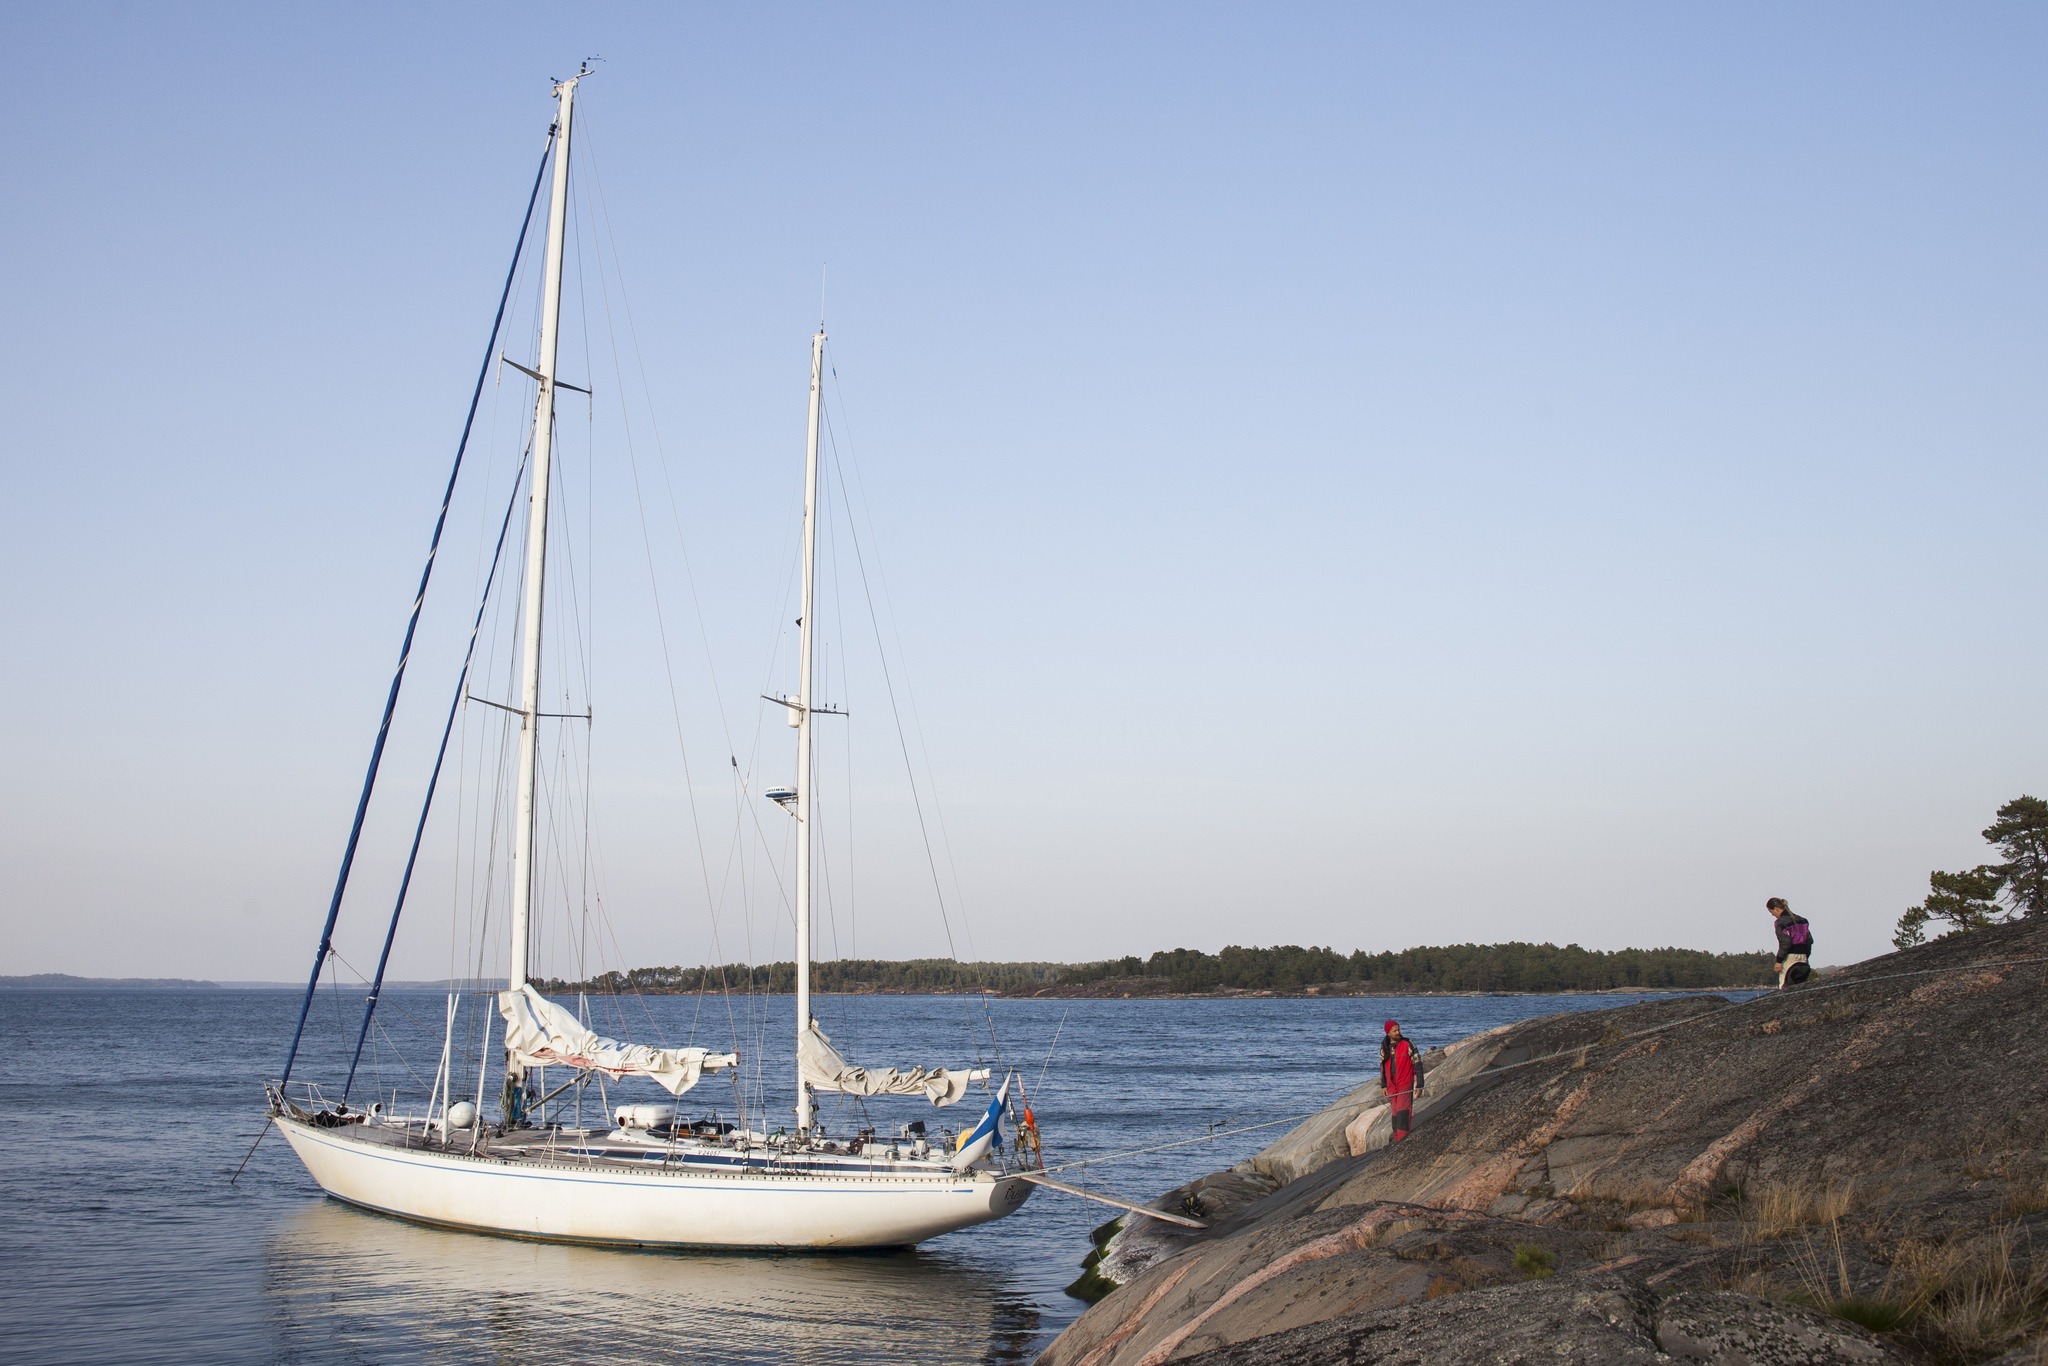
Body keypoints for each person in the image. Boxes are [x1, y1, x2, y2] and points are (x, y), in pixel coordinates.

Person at [1380, 1020, 1425, 1141]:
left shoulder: (1408, 1044)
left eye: (1398, 1029)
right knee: (1395, 1112)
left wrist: (1420, 1084)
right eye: (1394, 1031)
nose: (1398, 1032)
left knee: (1403, 1111)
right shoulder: (1384, 1047)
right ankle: (1396, 1138)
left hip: (1405, 1082)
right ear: (1388, 1033)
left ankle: (1402, 1139)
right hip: (1391, 1085)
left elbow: (1418, 1063)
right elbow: (1382, 1066)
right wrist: (1383, 1085)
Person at [1768, 897, 1813, 989]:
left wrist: (1779, 961)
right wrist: (1806, 955)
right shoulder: (1802, 921)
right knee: (1801, 985)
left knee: (1784, 986)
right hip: (1803, 956)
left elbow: (1785, 943)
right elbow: (1809, 940)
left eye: (1771, 912)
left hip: (1789, 957)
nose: (1772, 915)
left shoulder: (1780, 922)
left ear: (1776, 909)